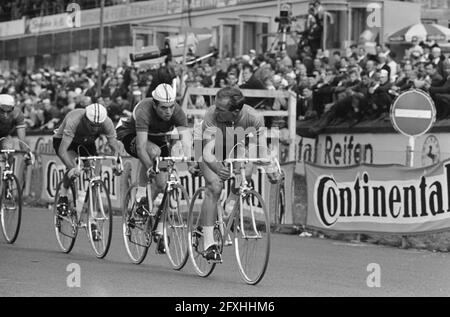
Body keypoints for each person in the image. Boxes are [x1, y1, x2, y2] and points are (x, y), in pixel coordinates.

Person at [198, 87, 281, 262]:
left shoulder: (253, 117)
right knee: (214, 186)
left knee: (246, 173)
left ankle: (229, 207)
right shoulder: (211, 115)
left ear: (235, 111)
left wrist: (270, 169)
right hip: (210, 148)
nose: (216, 110)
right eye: (215, 106)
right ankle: (208, 243)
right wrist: (217, 167)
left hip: (236, 147)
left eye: (221, 109)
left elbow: (260, 149)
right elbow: (207, 152)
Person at [116, 83, 196, 254]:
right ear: (154, 104)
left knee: (162, 184)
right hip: (131, 135)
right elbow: (141, 148)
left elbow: (187, 141)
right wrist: (149, 168)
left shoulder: (177, 112)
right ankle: (139, 198)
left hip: (158, 138)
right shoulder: (144, 110)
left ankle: (158, 227)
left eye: (171, 107)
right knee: (154, 153)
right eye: (164, 108)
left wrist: (190, 162)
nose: (168, 111)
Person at [53, 103, 122, 240]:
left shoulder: (106, 122)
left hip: (87, 143)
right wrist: (72, 168)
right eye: (92, 125)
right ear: (85, 118)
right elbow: (62, 151)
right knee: (73, 168)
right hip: (65, 143)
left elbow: (114, 146)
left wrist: (116, 162)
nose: (95, 128)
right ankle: (63, 195)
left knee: (95, 178)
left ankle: (92, 220)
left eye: (98, 126)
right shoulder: (74, 120)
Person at [0, 94, 34, 164]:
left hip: (4, 136)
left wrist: (25, 154)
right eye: (2, 111)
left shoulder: (17, 114)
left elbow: (22, 140)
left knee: (9, 150)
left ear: (13, 109)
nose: (5, 115)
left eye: (8, 111)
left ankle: (6, 172)